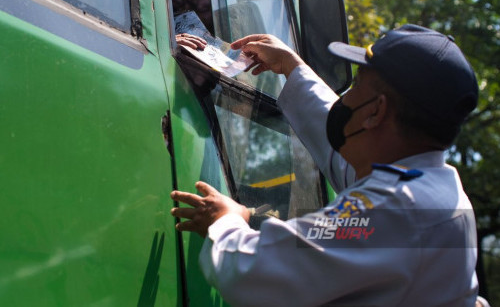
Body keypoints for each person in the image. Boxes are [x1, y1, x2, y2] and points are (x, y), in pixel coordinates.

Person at [170, 24, 479, 306]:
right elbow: (339, 152)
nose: (345, 97)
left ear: (376, 111)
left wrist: (224, 221)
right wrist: (292, 67)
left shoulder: (396, 208)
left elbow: (254, 274)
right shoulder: (435, 193)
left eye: (357, 85)